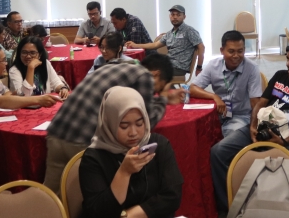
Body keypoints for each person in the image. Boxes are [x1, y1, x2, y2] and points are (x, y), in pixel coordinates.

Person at [210, 41, 289, 213]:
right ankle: (229, 205)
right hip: (258, 130)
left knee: (252, 162)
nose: (288, 63)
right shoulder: (280, 76)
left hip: (284, 141)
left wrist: (283, 142)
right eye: (287, 58)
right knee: (218, 152)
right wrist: (252, 126)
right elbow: (260, 103)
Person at [43, 54, 184, 193]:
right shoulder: (145, 76)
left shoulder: (115, 65)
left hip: (56, 133)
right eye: (158, 89)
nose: (154, 92)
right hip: (82, 140)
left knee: (51, 195)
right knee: (85, 197)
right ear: (156, 74)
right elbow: (146, 121)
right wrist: (163, 99)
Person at [79, 87, 183, 218]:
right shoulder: (93, 158)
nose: (133, 133)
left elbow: (172, 198)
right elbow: (102, 217)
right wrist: (124, 172)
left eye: (139, 124)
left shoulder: (159, 145)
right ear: (110, 123)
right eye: (124, 126)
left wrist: (123, 217)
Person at [189, 30, 263, 136]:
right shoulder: (213, 65)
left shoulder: (251, 68)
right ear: (222, 50)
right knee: (197, 130)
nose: (236, 56)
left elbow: (255, 103)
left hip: (241, 116)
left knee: (230, 138)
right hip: (218, 113)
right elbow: (192, 88)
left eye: (240, 51)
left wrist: (254, 126)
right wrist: (214, 96)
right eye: (231, 51)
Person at [126, 5, 205, 77]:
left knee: (145, 73)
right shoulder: (170, 33)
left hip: (178, 68)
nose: (175, 17)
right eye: (172, 14)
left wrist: (199, 67)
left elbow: (201, 47)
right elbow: (155, 45)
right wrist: (135, 45)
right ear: (169, 16)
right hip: (167, 64)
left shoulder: (189, 31)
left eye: (178, 15)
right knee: (141, 66)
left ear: (184, 17)